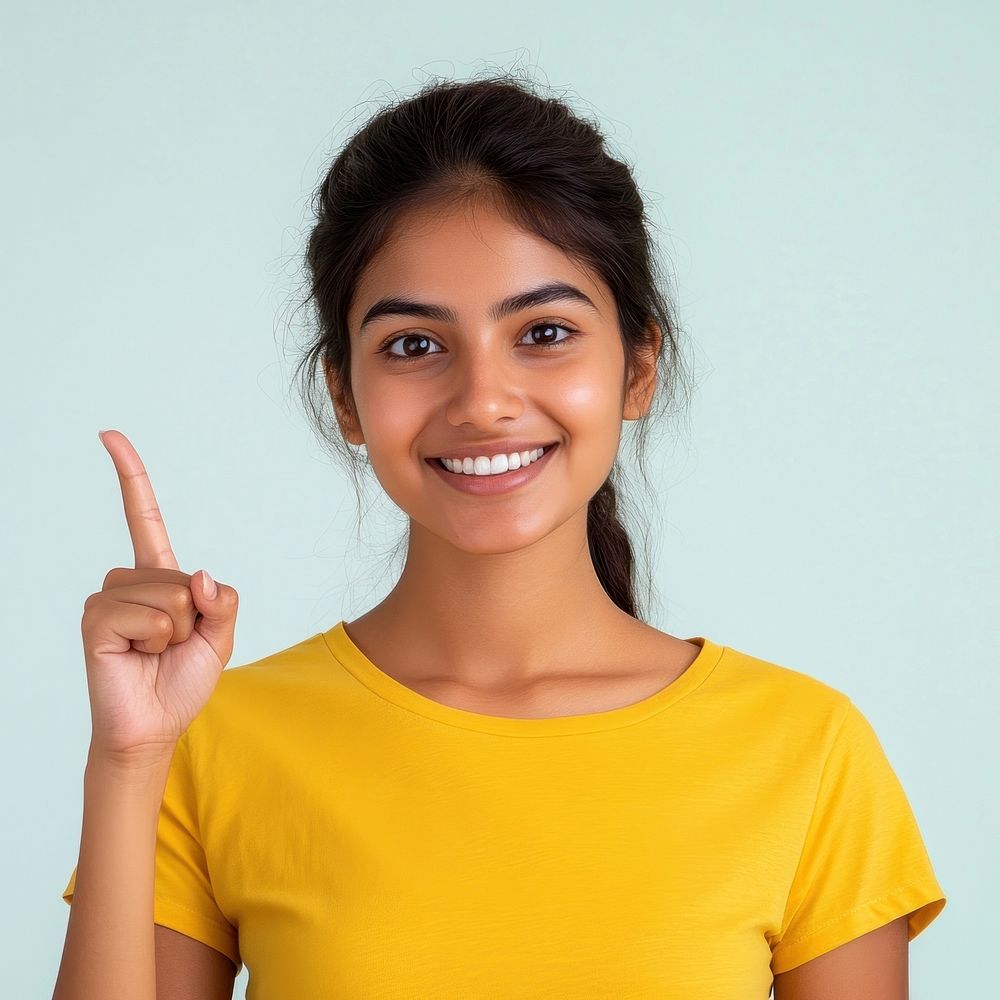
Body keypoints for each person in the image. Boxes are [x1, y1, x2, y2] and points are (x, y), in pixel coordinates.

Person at [53, 72, 946, 999]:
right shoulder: (213, 740)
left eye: (546, 331)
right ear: (344, 396)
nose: (482, 402)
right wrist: (128, 761)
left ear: (638, 367)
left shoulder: (807, 751)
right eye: (413, 344)